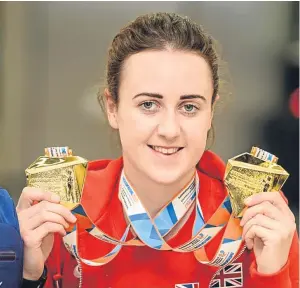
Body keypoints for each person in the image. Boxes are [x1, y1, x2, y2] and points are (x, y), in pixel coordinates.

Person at [17, 12, 299, 288]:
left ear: (211, 112)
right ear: (112, 109)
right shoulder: (61, 210)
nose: (169, 129)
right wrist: (27, 276)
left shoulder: (255, 211)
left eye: (189, 107)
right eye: (148, 105)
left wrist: (272, 275)